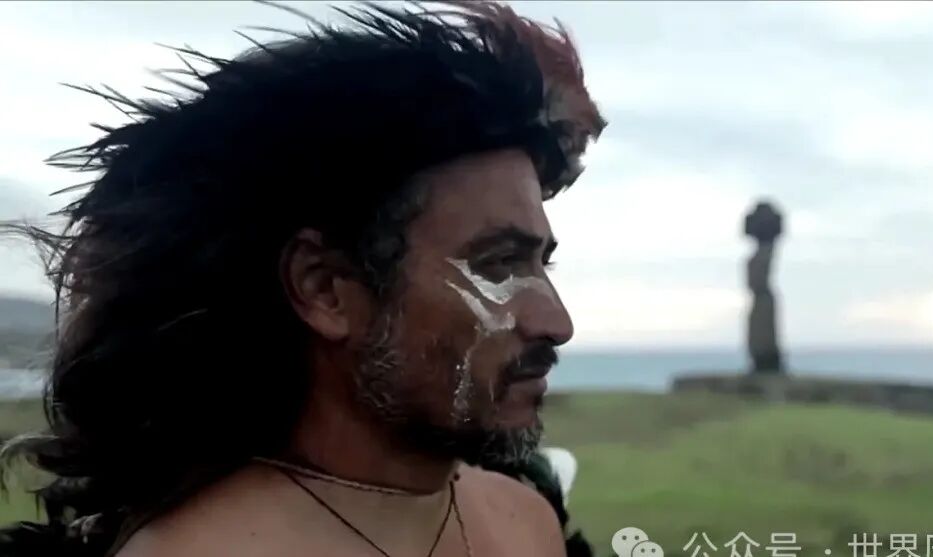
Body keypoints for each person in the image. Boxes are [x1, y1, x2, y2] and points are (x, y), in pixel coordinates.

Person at [0, 1, 605, 555]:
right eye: (498, 265)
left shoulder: (527, 521)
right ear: (324, 288)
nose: (557, 323)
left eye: (541, 263)